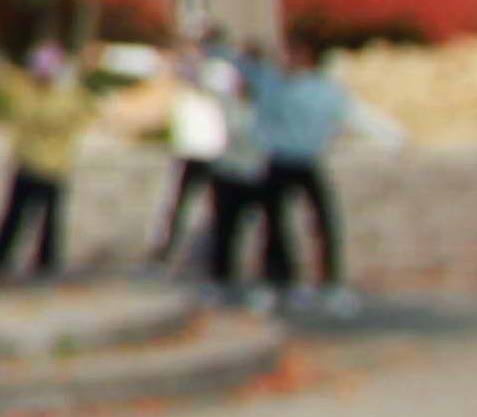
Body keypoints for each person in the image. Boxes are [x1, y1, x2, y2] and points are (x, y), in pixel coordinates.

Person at [239, 31, 373, 313]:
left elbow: (353, 116)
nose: (286, 61)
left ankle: (330, 283)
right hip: (277, 161)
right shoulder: (271, 85)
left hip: (307, 161)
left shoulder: (323, 89)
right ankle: (278, 282)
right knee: (273, 225)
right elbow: (242, 73)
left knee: (323, 223)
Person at [0, 40, 90, 278]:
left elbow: (63, 117)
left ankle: (46, 261)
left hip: (53, 166)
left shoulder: (66, 96)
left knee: (49, 220)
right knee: (13, 214)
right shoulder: (28, 90)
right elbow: (7, 81)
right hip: (26, 161)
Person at [152, 38, 241, 275]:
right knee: (180, 203)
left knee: (215, 207)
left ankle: (216, 255)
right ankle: (168, 248)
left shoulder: (219, 72)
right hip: (193, 149)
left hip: (212, 150)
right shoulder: (196, 72)